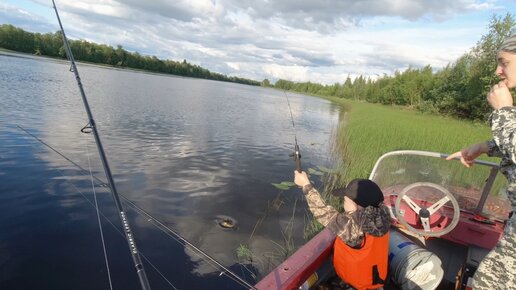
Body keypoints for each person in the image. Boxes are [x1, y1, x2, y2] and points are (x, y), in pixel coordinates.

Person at [446, 33, 516, 289]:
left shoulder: (506, 111)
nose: (498, 70)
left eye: (504, 62)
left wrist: (504, 113)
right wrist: (483, 147)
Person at [294, 171, 391, 290]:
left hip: (357, 285)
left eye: (345, 201)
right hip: (375, 281)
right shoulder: (382, 216)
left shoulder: (354, 228)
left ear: (357, 207)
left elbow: (323, 212)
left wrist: (306, 185)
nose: (343, 205)